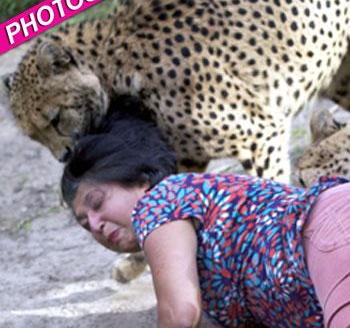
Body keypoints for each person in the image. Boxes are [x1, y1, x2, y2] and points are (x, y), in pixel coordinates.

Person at [61, 116, 350, 328]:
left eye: (97, 202)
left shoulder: (157, 202)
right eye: (86, 224)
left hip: (328, 233)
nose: (96, 224)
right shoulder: (205, 244)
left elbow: (179, 315)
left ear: (138, 179)